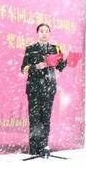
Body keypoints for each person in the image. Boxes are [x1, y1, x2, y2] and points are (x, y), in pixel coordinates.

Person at [21, 23, 67, 157]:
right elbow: (23, 68)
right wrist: (36, 67)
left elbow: (60, 67)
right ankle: (34, 149)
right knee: (35, 118)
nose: (44, 34)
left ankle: (44, 147)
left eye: (46, 31)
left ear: (49, 33)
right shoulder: (31, 49)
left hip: (49, 87)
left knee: (46, 118)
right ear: (38, 33)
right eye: (41, 31)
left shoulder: (55, 49)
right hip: (34, 88)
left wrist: (66, 60)